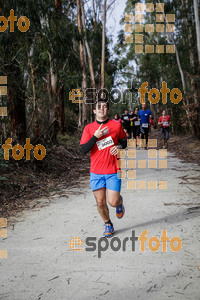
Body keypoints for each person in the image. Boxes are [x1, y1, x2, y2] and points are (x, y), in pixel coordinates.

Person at [80, 99, 127, 237]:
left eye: (105, 107)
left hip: (113, 170)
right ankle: (108, 224)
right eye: (99, 107)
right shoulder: (89, 128)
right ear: (94, 111)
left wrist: (117, 147)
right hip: (96, 172)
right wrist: (95, 137)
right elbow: (84, 149)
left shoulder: (116, 126)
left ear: (108, 110)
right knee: (100, 202)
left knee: (112, 202)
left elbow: (124, 142)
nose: (102, 109)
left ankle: (119, 202)